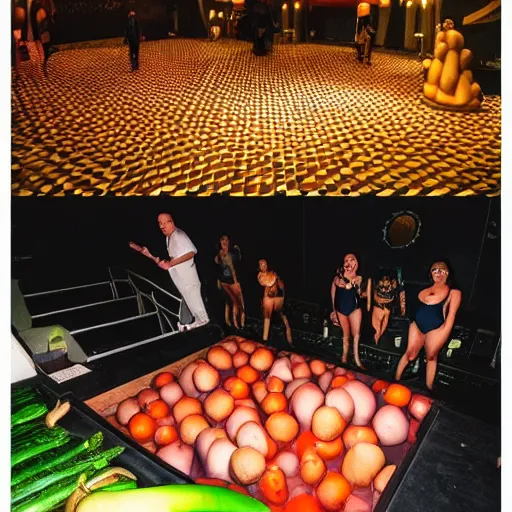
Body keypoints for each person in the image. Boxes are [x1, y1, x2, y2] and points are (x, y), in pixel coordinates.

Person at [395, 261, 461, 390]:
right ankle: (395, 380)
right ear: (430, 273)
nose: (438, 272)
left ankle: (428, 388)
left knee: (431, 357)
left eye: (442, 269)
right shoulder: (424, 289)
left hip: (437, 328)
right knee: (410, 355)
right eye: (434, 269)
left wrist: (444, 332)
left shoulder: (454, 292)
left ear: (448, 273)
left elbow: (451, 316)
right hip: (417, 325)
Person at [137, 213, 210, 332]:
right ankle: (188, 327)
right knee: (189, 306)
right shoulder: (169, 237)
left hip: (189, 280)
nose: (162, 226)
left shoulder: (179, 236)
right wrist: (152, 256)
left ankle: (201, 328)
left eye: (166, 222)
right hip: (181, 281)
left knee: (200, 314)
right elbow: (174, 259)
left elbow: (191, 252)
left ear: (173, 222)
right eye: (160, 223)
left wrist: (170, 264)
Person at [331, 253, 370, 368]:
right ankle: (344, 357)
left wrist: (358, 285)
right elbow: (333, 292)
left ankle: (357, 360)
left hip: (355, 308)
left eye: (352, 259)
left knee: (356, 334)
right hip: (341, 308)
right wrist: (334, 309)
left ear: (357, 263)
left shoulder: (360, 278)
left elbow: (363, 294)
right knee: (346, 335)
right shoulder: (338, 278)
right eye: (346, 260)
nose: (349, 262)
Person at [257, 259, 292, 344]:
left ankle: (289, 338)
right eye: (262, 264)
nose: (264, 265)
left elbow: (281, 286)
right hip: (268, 299)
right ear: (259, 267)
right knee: (267, 317)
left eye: (265, 264)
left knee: (283, 315)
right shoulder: (260, 276)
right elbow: (267, 283)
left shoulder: (272, 273)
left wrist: (277, 279)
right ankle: (264, 339)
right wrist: (274, 278)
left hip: (278, 298)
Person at [215, 235, 245, 329]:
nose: (224, 241)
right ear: (220, 242)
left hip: (233, 281)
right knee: (229, 302)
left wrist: (236, 282)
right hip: (224, 281)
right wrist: (218, 280)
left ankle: (239, 323)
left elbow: (233, 269)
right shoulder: (218, 254)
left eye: (226, 240)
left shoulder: (232, 253)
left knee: (238, 303)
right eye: (222, 240)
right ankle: (231, 323)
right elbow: (218, 269)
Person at [372, 269, 406, 344]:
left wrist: (403, 308)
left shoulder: (394, 283)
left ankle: (377, 340)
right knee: (377, 330)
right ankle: (377, 340)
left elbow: (400, 291)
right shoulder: (379, 283)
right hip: (379, 305)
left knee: (380, 329)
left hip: (387, 306)